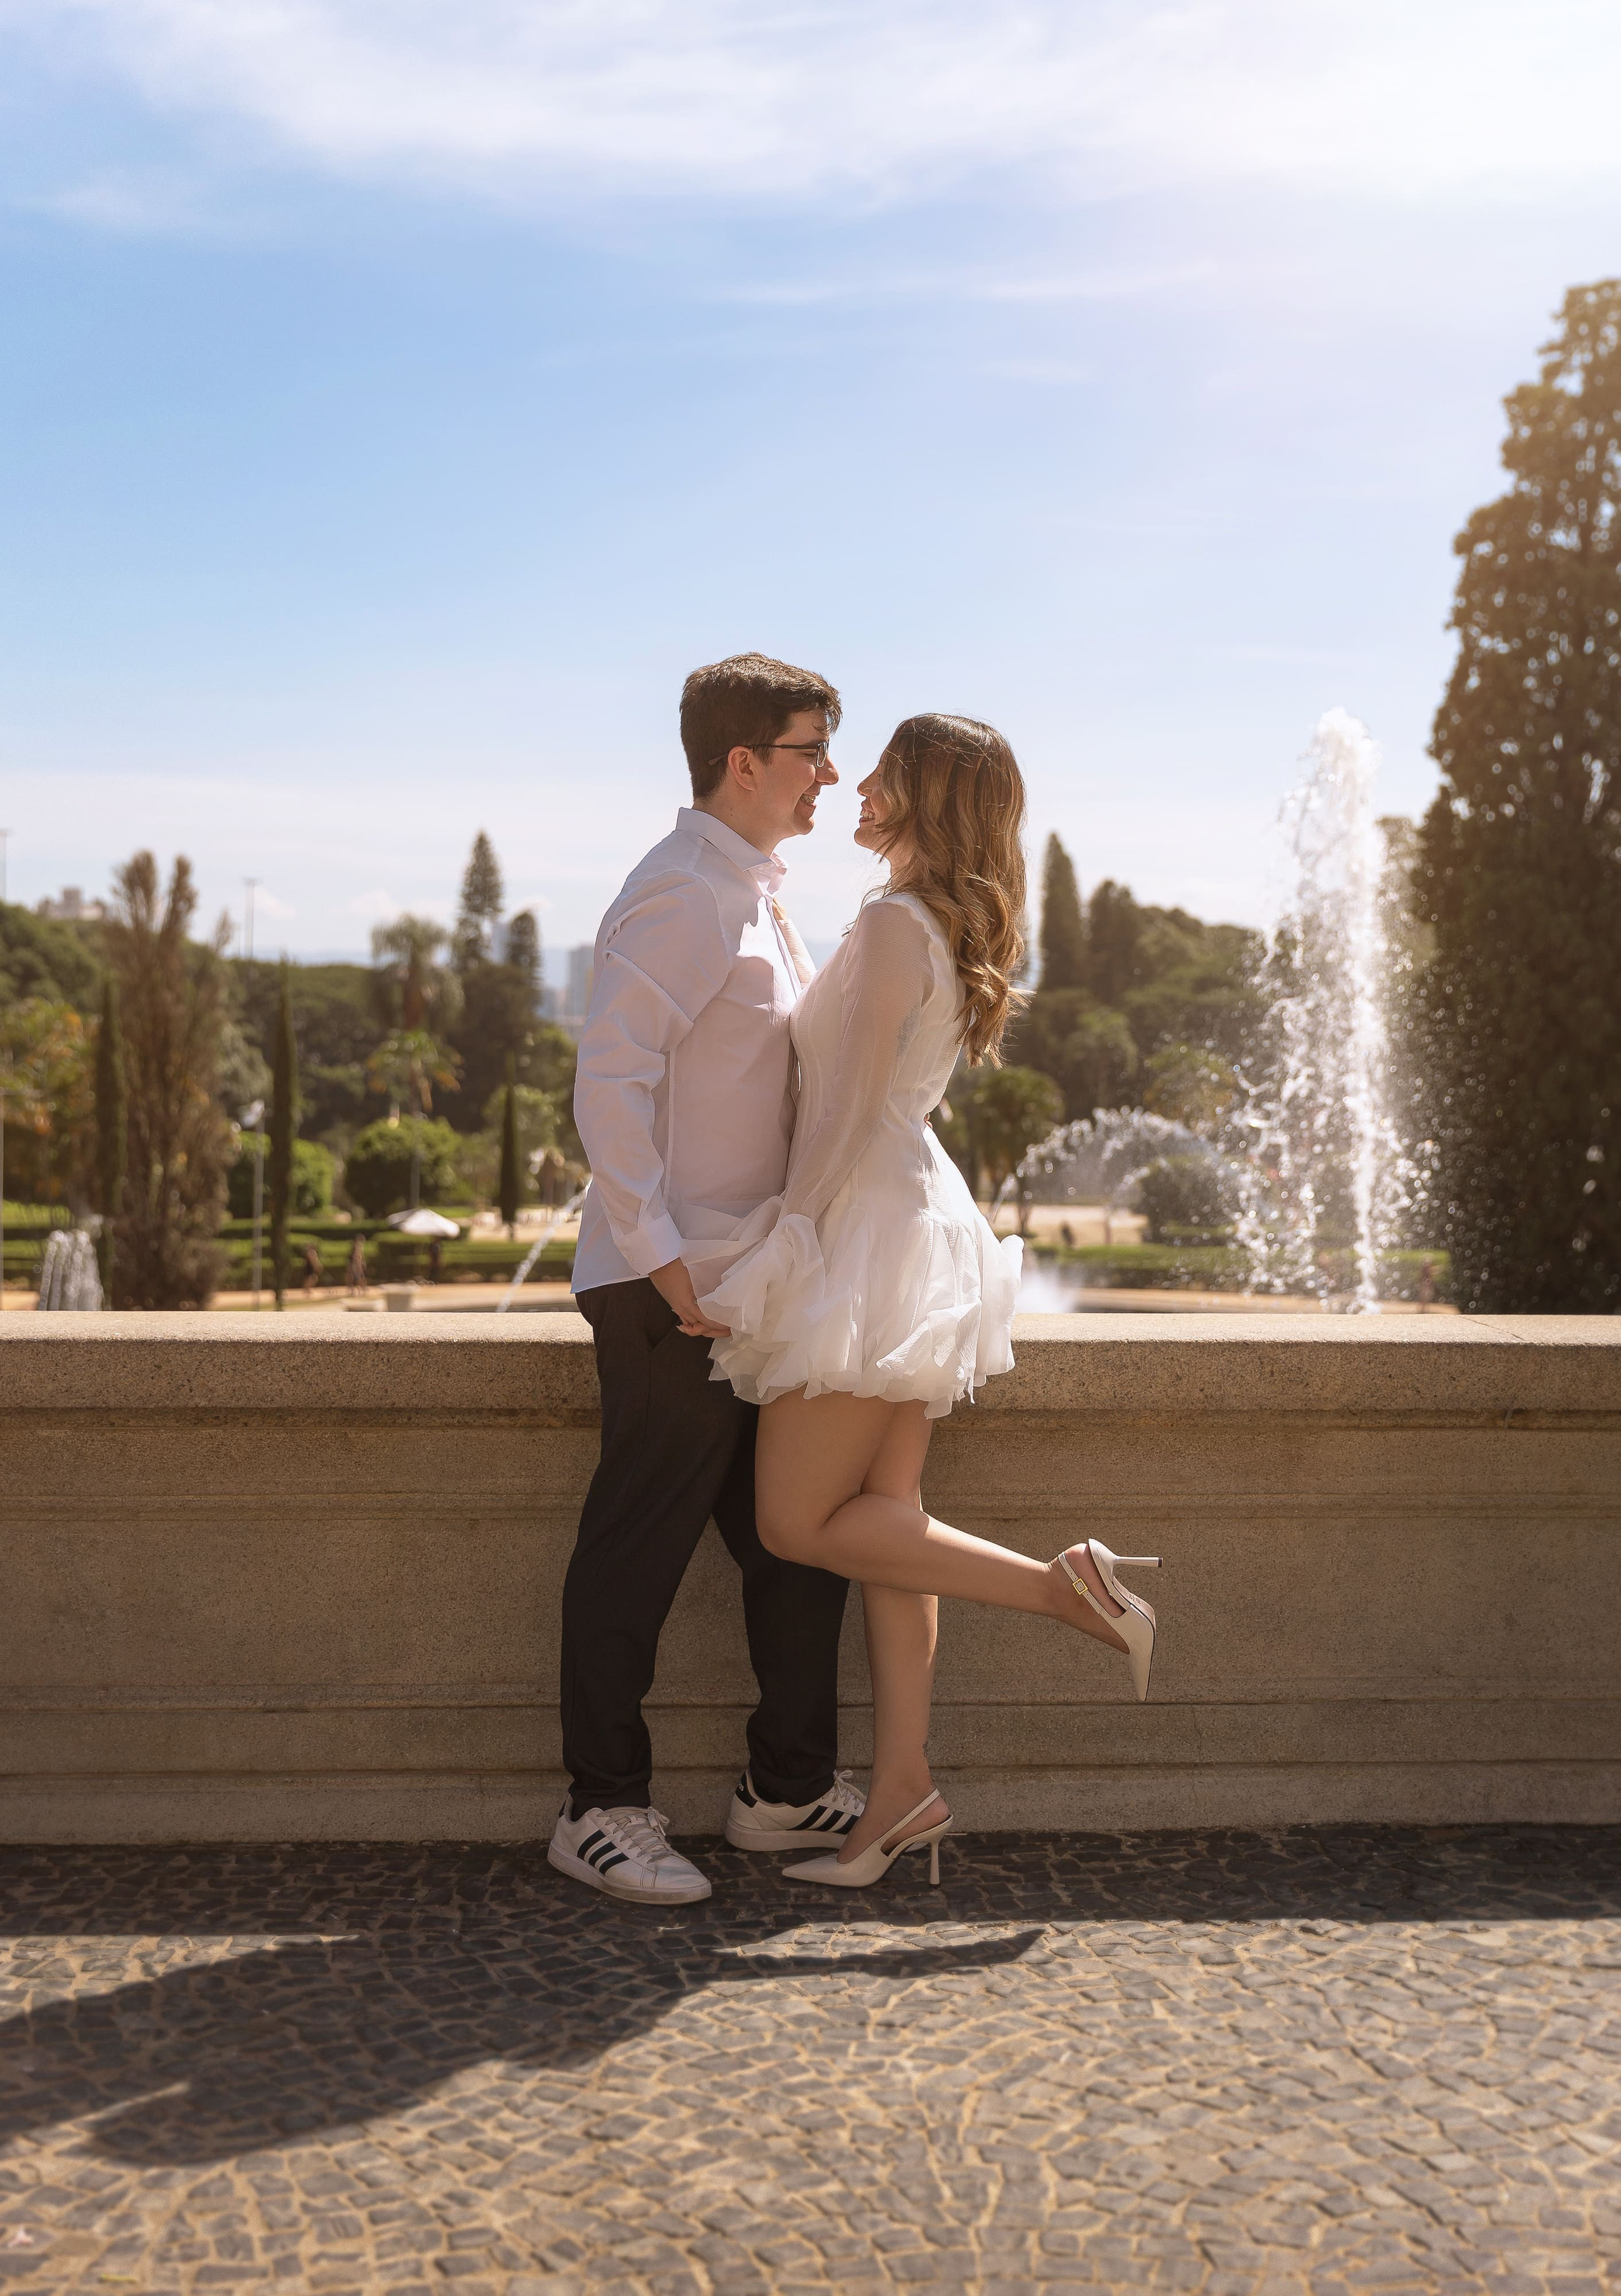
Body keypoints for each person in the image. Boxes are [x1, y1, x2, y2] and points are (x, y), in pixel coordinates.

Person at [699, 715, 1168, 1890]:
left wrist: (786, 1241)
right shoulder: (930, 923)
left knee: (794, 1525)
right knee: (891, 1530)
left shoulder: (896, 922)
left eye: (884, 770)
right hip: (911, 1220)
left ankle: (1065, 1592)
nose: (856, 784)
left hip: (866, 1223)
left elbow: (850, 1108)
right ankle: (902, 1792)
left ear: (928, 794)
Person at [550, 653, 864, 1908]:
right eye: (808, 752)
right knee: (640, 1541)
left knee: (796, 1540)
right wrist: (665, 1265)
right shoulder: (683, 894)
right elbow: (607, 1085)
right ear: (742, 761)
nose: (827, 776)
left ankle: (785, 1786)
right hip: (668, 1287)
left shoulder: (756, 892)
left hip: (747, 1285)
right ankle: (598, 1807)